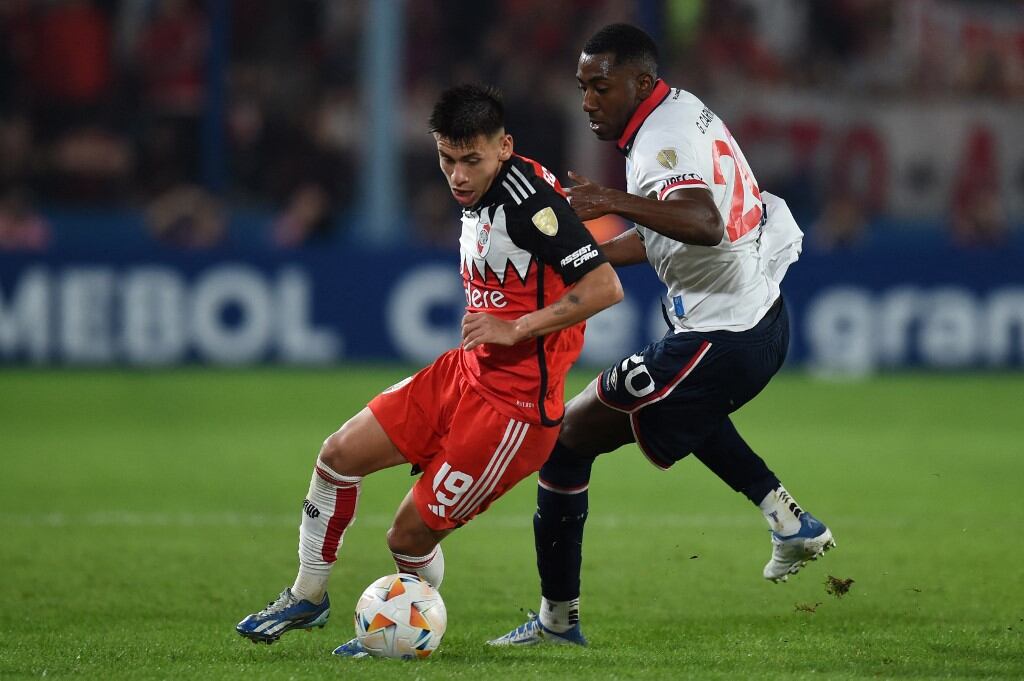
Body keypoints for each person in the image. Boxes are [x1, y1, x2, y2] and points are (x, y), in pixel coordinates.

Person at [235, 84, 623, 656]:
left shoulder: (531, 206)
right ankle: (308, 595)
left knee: (407, 537)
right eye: (447, 159)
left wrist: (514, 328)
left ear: (504, 147)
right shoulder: (483, 190)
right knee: (337, 456)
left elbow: (604, 286)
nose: (459, 175)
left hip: (512, 411)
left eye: (472, 160)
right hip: (463, 375)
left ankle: (402, 634)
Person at [489, 23, 834, 647]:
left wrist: (607, 198)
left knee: (567, 440)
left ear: (640, 83)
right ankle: (789, 522)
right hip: (756, 322)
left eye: (601, 86)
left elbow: (701, 223)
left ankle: (556, 624)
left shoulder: (659, 143)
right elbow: (664, 231)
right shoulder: (680, 111)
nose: (588, 100)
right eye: (582, 87)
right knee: (676, 410)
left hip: (721, 338)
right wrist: (572, 260)